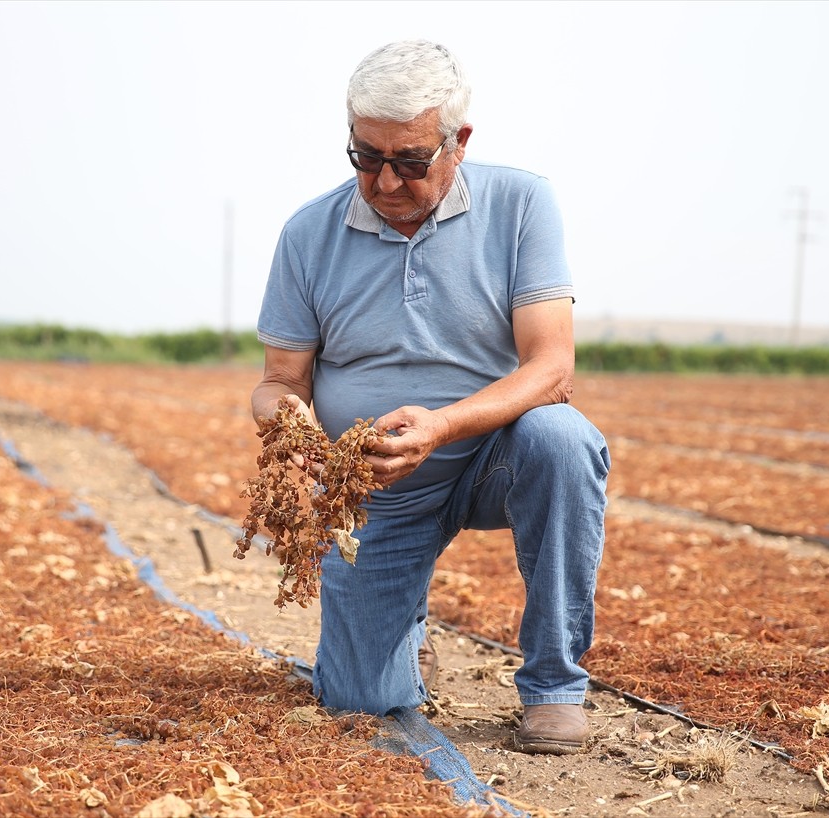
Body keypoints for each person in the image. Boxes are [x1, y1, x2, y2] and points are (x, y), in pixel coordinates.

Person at [250, 39, 610, 755]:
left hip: (487, 459)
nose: (385, 181)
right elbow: (280, 381)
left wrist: (441, 428)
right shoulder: (307, 233)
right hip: (374, 488)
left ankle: (554, 685)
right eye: (365, 157)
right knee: (360, 699)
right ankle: (405, 629)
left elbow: (551, 367)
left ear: (459, 142)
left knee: (563, 439)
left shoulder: (522, 204)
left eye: (410, 161)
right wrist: (291, 433)